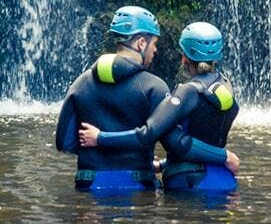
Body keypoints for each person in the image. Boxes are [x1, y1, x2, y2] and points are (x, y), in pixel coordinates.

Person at [78, 21, 242, 192]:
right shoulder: (225, 86)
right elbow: (204, 136)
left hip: (189, 182)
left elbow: (150, 136)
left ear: (185, 56)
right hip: (225, 179)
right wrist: (162, 164)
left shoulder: (188, 92)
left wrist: (99, 137)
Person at [55, 5, 168, 191]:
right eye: (154, 43)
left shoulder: (80, 82)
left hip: (90, 182)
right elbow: (174, 143)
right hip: (137, 184)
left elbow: (64, 142)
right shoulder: (154, 86)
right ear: (141, 43)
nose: (155, 50)